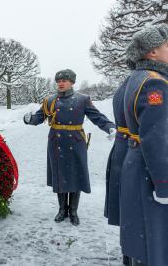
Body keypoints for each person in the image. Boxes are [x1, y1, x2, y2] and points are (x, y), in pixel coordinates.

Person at [23, 69, 116, 225]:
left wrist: (110, 127)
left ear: (72, 82)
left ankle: (73, 211)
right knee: (59, 175)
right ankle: (61, 209)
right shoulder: (50, 100)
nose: (61, 83)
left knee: (75, 175)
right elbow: (39, 118)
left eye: (64, 80)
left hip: (76, 141)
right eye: (58, 81)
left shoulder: (83, 99)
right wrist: (29, 119)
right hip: (56, 141)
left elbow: (97, 116)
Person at [120, 24, 168, 266]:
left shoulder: (138, 77)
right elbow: (156, 138)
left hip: (137, 163)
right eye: (166, 46)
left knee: (142, 237)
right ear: (152, 53)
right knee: (155, 241)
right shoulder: (155, 84)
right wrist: (164, 185)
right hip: (150, 170)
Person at [104, 76, 131, 266]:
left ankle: (130, 255)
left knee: (130, 209)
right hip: (135, 148)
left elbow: (95, 115)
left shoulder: (128, 84)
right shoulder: (153, 82)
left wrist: (109, 128)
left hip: (126, 148)